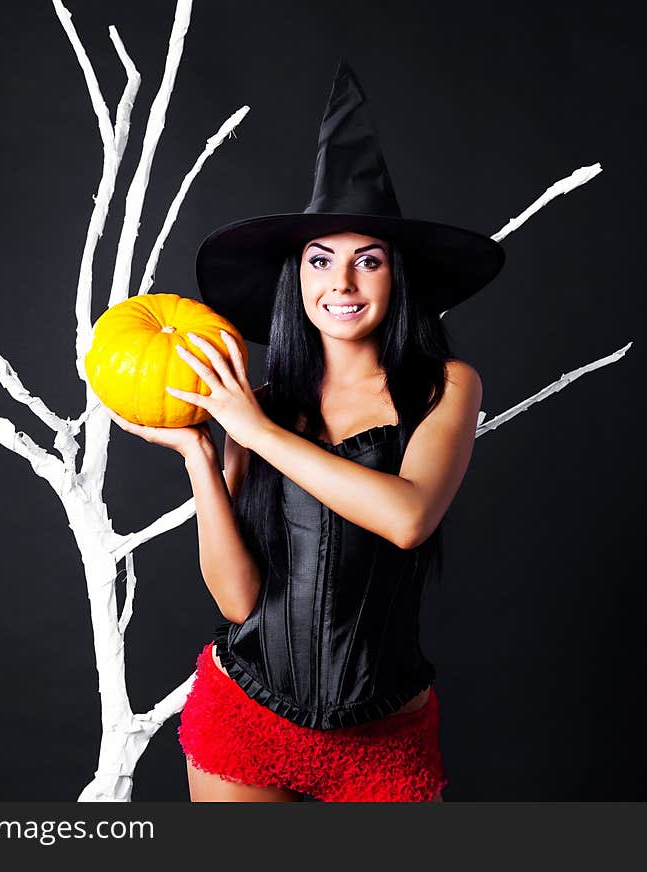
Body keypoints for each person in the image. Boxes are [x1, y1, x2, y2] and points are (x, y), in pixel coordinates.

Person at [107, 60, 505, 801]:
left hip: (384, 737)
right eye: (320, 261)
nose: (342, 284)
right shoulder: (257, 406)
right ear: (297, 280)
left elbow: (409, 517)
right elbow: (236, 601)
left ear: (397, 277)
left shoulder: (445, 387)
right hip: (247, 718)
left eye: (369, 261)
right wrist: (203, 449)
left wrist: (253, 432)